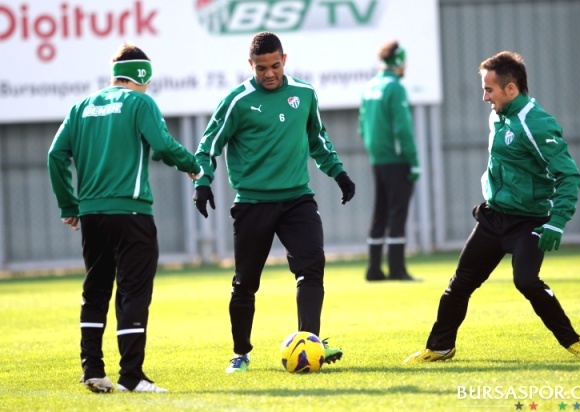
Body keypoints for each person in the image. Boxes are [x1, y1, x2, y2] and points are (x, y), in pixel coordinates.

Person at [404, 51, 580, 364]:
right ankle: (440, 347)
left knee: (526, 281)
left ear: (511, 88)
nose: (484, 97)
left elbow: (569, 175)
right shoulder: (498, 116)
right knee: (460, 283)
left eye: (488, 90)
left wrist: (557, 221)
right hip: (494, 217)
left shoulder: (537, 123)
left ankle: (573, 342)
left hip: (530, 222)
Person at [192, 31, 356, 373]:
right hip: (253, 203)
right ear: (250, 65)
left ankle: (310, 344)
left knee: (311, 268)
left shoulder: (305, 94)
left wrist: (339, 174)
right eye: (262, 68)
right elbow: (208, 146)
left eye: (275, 66)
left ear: (285, 60)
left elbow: (318, 140)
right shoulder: (237, 101)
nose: (270, 73)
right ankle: (240, 353)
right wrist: (203, 183)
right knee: (245, 283)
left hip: (297, 199)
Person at [48, 42, 204, 393]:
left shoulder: (82, 107)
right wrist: (193, 166)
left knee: (96, 291)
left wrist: (69, 205)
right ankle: (132, 376)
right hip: (131, 213)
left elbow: (55, 155)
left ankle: (92, 369)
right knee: (133, 291)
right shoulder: (140, 103)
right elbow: (162, 145)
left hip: (91, 215)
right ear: (143, 74)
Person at [359, 40, 421, 282]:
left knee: (380, 212)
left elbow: (362, 125)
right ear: (399, 62)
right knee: (397, 213)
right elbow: (403, 128)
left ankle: (374, 269)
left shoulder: (370, 86)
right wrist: (413, 161)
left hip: (377, 159)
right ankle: (397, 269)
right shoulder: (395, 88)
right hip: (396, 159)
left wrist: (375, 150)